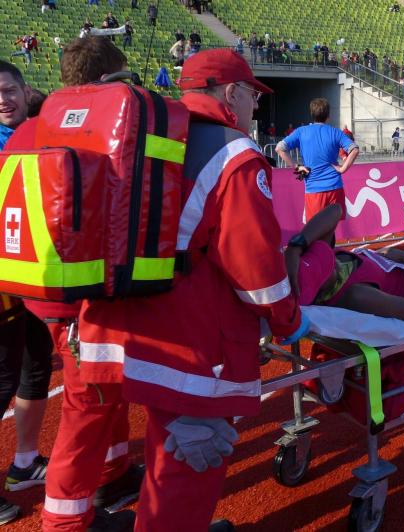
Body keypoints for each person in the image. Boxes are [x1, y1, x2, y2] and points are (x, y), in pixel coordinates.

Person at [75, 48, 308, 530]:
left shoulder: (146, 135)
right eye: (253, 96)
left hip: (118, 324)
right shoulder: (235, 153)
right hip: (192, 347)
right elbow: (257, 269)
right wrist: (288, 321)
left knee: (165, 459)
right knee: (186, 475)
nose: (256, 106)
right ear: (231, 92)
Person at [4, 38, 143, 531]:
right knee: (86, 409)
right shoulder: (105, 130)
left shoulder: (27, 130)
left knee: (108, 393)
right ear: (109, 79)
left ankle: (115, 474)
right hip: (87, 301)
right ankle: (66, 521)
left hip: (38, 290)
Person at [0, 60, 55, 527]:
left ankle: (24, 462)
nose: (3, 100)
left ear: (24, 91)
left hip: (27, 277)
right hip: (2, 282)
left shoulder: (34, 133)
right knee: (2, 378)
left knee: (36, 362)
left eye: (8, 90)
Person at [276, 98, 359, 226]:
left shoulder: (301, 131)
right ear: (328, 115)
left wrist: (297, 166)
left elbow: (279, 148)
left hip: (314, 189)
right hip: (335, 187)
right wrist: (343, 169)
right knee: (330, 227)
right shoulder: (335, 132)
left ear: (312, 114)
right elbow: (354, 149)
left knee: (314, 229)